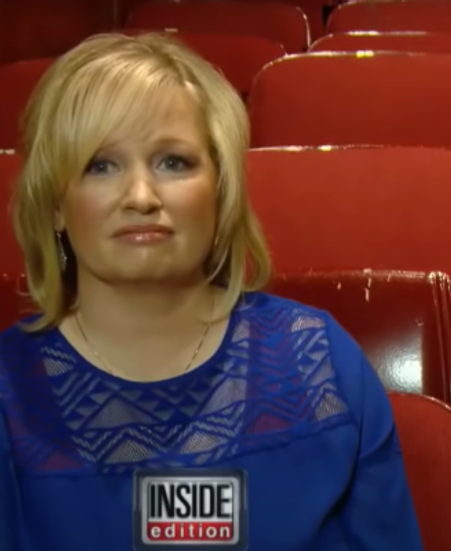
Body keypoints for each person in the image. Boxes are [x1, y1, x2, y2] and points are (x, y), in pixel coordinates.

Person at [0, 33, 424, 551]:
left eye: (173, 162)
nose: (140, 196)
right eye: (100, 165)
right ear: (56, 205)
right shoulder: (8, 395)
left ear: (220, 192)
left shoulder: (322, 363)